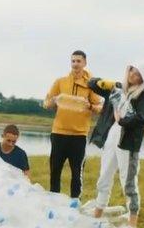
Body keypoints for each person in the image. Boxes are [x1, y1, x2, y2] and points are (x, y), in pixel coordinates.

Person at [88, 63, 144, 228]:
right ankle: (98, 212)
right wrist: (104, 82)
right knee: (104, 175)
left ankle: (132, 222)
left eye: (138, 73)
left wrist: (123, 121)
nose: (133, 74)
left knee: (128, 181)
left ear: (143, 78)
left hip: (128, 141)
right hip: (112, 137)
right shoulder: (117, 88)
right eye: (132, 70)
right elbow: (91, 84)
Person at [43, 50, 103, 198]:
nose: (75, 64)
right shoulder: (60, 82)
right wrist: (55, 100)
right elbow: (46, 103)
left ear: (84, 63)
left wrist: (90, 106)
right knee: (55, 170)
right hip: (59, 133)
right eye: (73, 61)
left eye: (78, 61)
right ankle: (54, 202)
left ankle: (75, 204)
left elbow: (101, 107)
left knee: (77, 173)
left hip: (79, 135)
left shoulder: (91, 85)